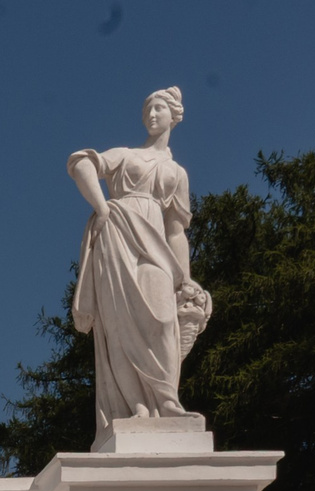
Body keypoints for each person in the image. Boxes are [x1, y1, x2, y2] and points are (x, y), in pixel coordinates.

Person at [68, 87, 210, 445]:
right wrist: (102, 208)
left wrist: (185, 279)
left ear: (174, 115)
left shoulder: (177, 174)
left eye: (159, 108)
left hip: (155, 244)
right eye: (148, 109)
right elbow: (81, 164)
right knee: (119, 326)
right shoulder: (126, 155)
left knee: (163, 320)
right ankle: (137, 408)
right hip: (117, 233)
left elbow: (176, 232)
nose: (151, 115)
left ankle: (167, 401)